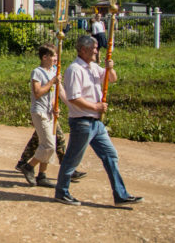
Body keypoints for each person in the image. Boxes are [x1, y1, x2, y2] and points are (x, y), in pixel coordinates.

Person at [55, 35, 143, 206]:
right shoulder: (74, 70)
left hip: (97, 123)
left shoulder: (93, 67)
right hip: (82, 122)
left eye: (96, 48)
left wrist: (110, 68)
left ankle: (121, 194)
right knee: (72, 159)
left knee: (110, 155)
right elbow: (74, 98)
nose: (97, 51)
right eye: (94, 48)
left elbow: (112, 79)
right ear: (83, 50)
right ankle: (62, 191)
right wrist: (96, 107)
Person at [17, 44, 64, 187]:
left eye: (56, 55)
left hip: (50, 113)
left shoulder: (53, 72)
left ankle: (42, 175)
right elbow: (37, 93)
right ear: (45, 57)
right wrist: (51, 82)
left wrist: (56, 108)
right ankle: (28, 166)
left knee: (51, 143)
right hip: (39, 112)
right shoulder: (37, 72)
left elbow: (54, 94)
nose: (56, 58)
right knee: (48, 145)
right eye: (53, 56)